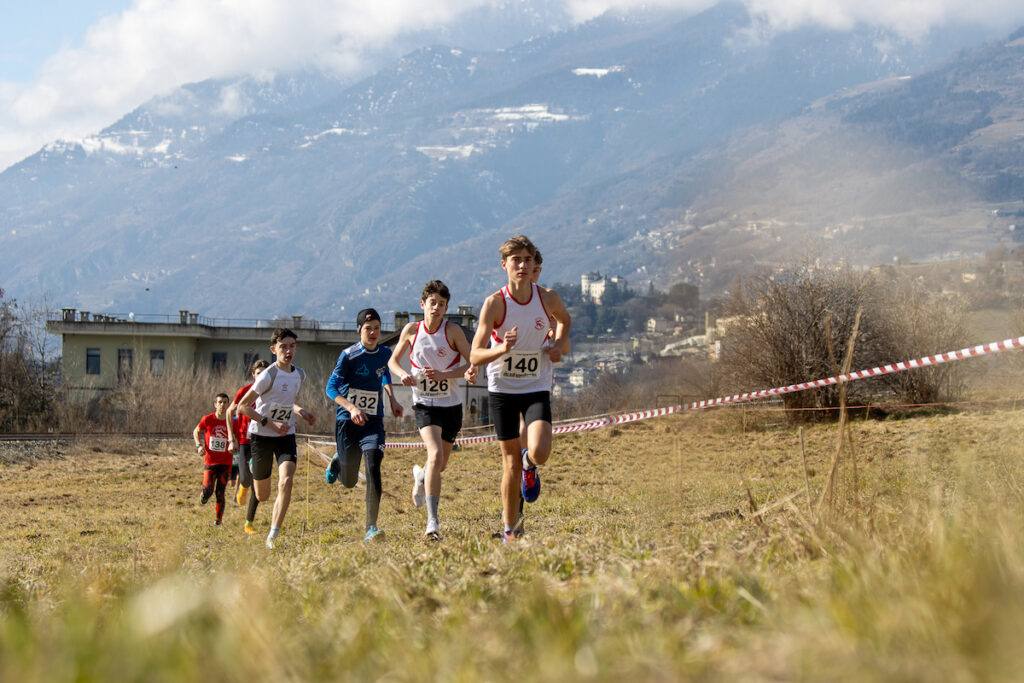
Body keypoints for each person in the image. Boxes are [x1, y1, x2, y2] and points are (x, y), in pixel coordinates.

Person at [470, 235, 571, 543]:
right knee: (509, 463)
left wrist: (559, 346)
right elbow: (475, 354)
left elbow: (565, 323)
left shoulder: (548, 298)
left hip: (536, 385)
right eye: (516, 260)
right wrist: (500, 349)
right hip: (502, 389)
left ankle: (531, 465)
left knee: (539, 451)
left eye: (528, 259)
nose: (523, 265)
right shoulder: (495, 304)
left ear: (533, 264)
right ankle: (510, 531)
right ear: (505, 266)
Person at [388, 281, 478, 541]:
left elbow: (472, 365)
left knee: (440, 465)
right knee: (435, 454)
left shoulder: (452, 331)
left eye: (442, 304)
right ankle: (432, 523)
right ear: (422, 305)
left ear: (447, 307)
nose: (436, 308)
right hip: (424, 404)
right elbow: (392, 361)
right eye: (432, 303)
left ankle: (420, 476)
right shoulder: (411, 330)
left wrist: (444, 374)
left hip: (451, 405)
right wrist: (403, 373)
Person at [325, 308, 404, 542]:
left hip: (373, 422)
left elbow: (385, 373)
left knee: (373, 468)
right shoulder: (348, 356)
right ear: (359, 330)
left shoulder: (385, 353)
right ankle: (339, 462)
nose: (373, 333)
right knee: (349, 482)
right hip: (347, 422)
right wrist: (351, 407)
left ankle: (371, 527)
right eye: (368, 329)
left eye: (377, 328)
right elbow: (331, 388)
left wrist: (391, 398)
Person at [237, 328, 317, 549]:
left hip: (286, 436)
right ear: (274, 350)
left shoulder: (300, 375)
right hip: (262, 435)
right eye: (283, 347)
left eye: (292, 346)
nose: (288, 351)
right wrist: (270, 423)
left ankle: (273, 535)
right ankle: (254, 469)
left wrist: (301, 412)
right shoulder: (267, 375)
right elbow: (244, 407)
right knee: (262, 495)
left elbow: (286, 401)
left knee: (287, 480)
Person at [226, 358, 270, 534]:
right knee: (245, 478)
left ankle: (248, 523)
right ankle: (243, 485)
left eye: (265, 374)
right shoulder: (244, 391)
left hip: (264, 440)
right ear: (253, 374)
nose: (261, 377)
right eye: (258, 374)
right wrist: (231, 438)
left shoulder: (272, 392)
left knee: (258, 481)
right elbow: (230, 411)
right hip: (244, 441)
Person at [193, 393, 234, 526]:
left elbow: (238, 436)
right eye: (220, 402)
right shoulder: (208, 419)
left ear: (229, 405)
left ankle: (218, 520)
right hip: (210, 462)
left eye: (225, 402)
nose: (222, 405)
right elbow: (196, 431)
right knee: (208, 491)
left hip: (226, 462)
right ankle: (203, 496)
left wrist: (236, 445)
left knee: (220, 492)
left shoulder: (232, 421)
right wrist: (199, 446)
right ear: (215, 404)